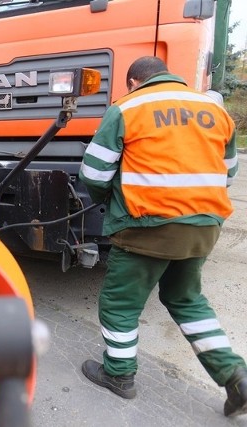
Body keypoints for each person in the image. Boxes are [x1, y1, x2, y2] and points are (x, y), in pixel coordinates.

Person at [78, 56, 245, 417]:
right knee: (187, 299)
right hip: (202, 227)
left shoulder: (128, 107)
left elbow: (92, 173)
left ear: (134, 81)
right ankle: (236, 376)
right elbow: (228, 173)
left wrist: (111, 204)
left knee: (120, 305)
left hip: (145, 227)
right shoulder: (214, 110)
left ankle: (118, 375)